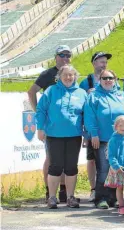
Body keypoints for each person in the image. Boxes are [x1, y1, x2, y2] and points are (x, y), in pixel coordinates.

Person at [84, 69, 124, 209]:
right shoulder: (94, 96)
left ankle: (114, 198)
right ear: (100, 80)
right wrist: (94, 134)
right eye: (104, 78)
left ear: (115, 79)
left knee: (120, 168)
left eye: (110, 78)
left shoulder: (123, 96)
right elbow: (89, 116)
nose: (108, 80)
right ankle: (101, 198)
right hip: (103, 139)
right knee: (104, 169)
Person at [36, 65, 87, 209]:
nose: (68, 77)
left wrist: (87, 134)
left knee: (71, 167)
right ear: (59, 76)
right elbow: (41, 110)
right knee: (55, 167)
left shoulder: (82, 93)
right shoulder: (51, 91)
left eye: (71, 75)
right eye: (65, 75)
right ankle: (52, 197)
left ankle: (71, 197)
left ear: (75, 77)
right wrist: (40, 128)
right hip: (54, 135)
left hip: (74, 135)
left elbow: (87, 115)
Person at [28, 45, 71, 203]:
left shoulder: (70, 74)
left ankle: (64, 191)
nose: (65, 58)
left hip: (67, 125)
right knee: (52, 158)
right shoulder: (48, 74)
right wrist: (39, 113)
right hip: (51, 125)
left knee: (67, 159)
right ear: (56, 57)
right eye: (62, 55)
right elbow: (31, 91)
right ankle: (49, 191)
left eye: (68, 55)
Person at [80, 51, 111, 203]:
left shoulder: (111, 81)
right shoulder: (86, 82)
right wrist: (87, 94)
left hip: (108, 130)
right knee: (92, 160)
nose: (103, 64)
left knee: (108, 162)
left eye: (105, 62)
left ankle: (111, 191)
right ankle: (93, 189)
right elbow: (79, 105)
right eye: (100, 61)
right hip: (92, 130)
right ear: (94, 63)